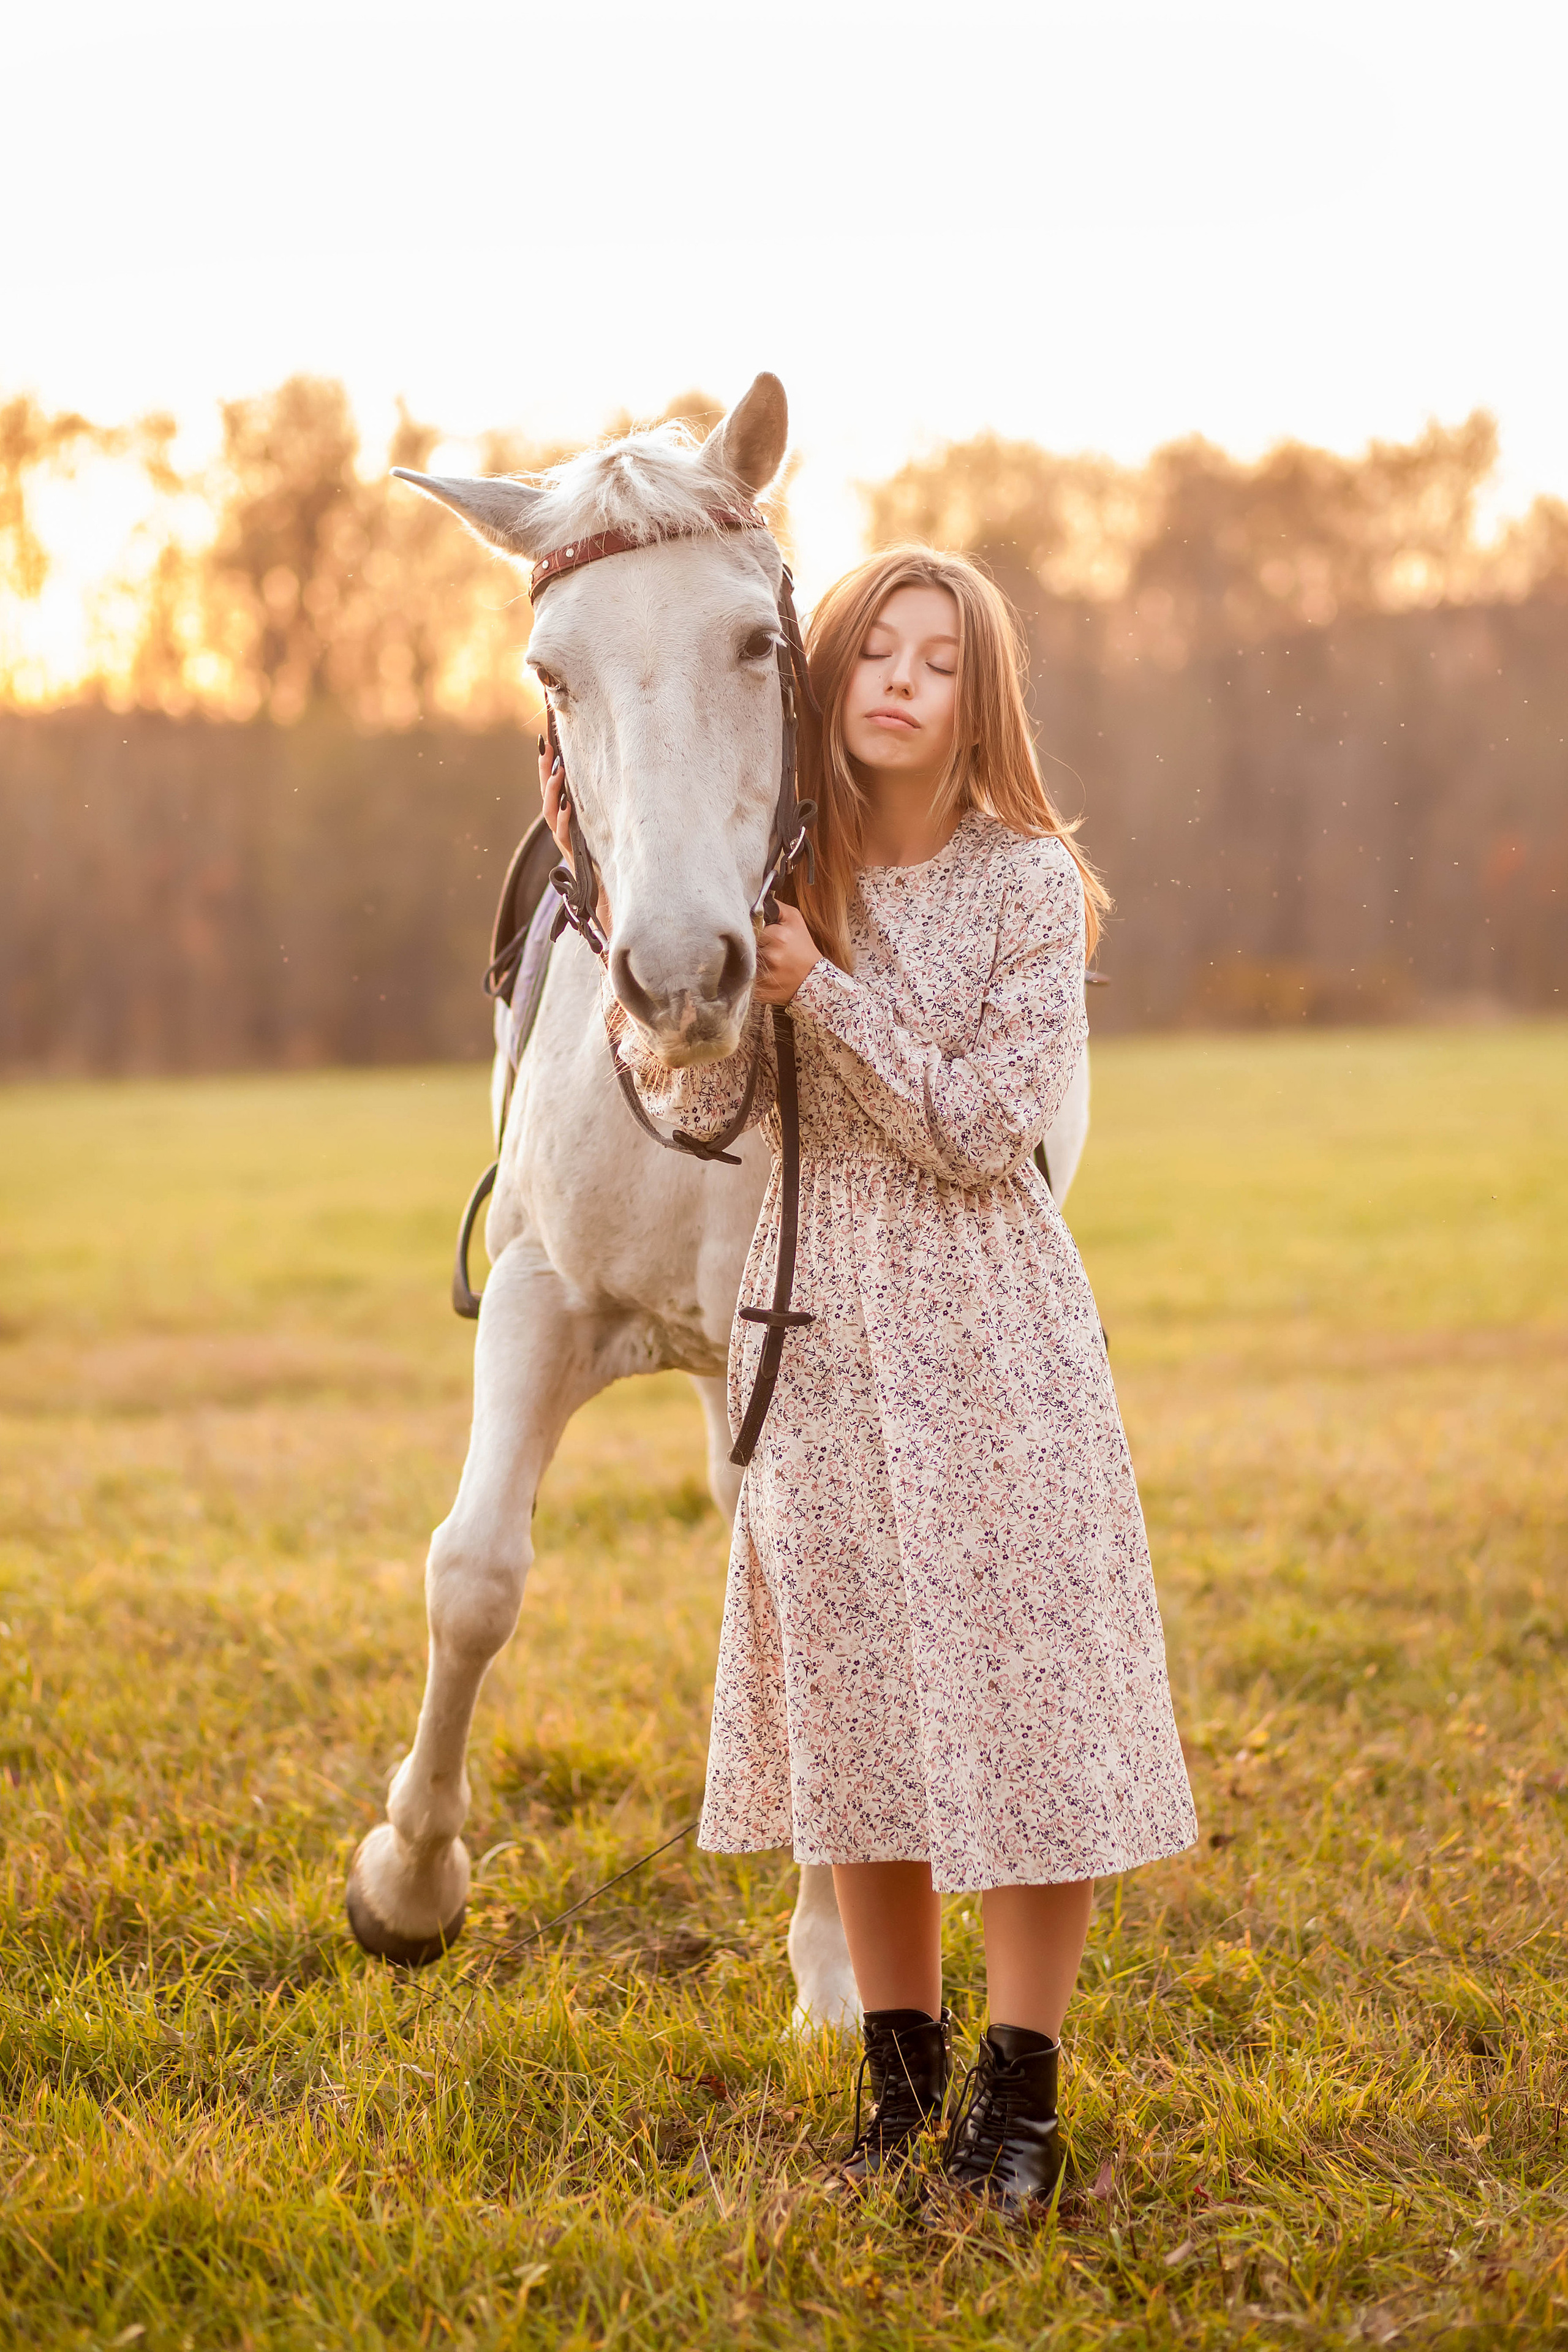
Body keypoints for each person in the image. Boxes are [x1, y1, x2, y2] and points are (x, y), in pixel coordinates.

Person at [543, 547, 1197, 2214]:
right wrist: (666, 1026)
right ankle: (902, 2097)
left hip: (988, 1345)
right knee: (860, 1724)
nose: (901, 682)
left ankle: (1019, 2104)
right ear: (827, 685)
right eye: (875, 655)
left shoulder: (1028, 885)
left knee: (1025, 1718)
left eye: (940, 662)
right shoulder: (790, 885)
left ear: (982, 702)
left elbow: (985, 1132)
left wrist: (819, 992)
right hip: (816, 1344)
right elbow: (714, 1125)